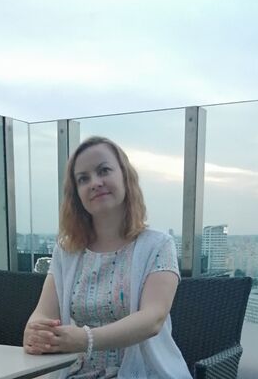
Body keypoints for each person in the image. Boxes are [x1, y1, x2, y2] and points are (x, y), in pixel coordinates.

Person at [23, 136, 192, 379]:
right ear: (76, 194)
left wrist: (85, 339)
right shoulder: (67, 251)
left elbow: (152, 319)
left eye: (103, 171)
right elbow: (43, 314)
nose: (95, 183)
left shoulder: (158, 245)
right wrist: (35, 332)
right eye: (83, 179)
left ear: (125, 176)